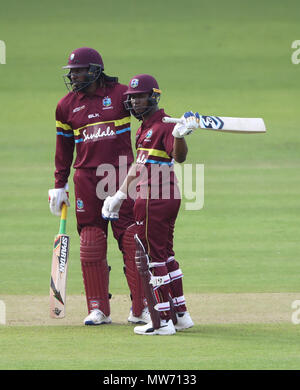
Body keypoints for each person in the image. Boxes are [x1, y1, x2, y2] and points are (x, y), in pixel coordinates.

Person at [48, 48, 150, 326]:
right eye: (72, 71)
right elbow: (63, 148)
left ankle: (140, 308)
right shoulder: (65, 105)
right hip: (85, 178)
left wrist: (170, 129)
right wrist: (59, 184)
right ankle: (98, 308)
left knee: (131, 238)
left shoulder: (121, 94)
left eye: (79, 70)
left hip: (121, 175)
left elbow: (147, 112)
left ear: (95, 70)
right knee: (91, 240)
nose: (74, 75)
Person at [102, 74, 198, 335]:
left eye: (140, 97)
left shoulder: (166, 126)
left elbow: (179, 157)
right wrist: (119, 195)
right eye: (131, 98)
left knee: (153, 260)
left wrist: (180, 135)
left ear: (154, 97)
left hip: (154, 199)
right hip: (165, 197)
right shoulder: (144, 127)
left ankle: (161, 322)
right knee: (166, 255)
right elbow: (138, 165)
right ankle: (181, 315)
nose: (134, 102)